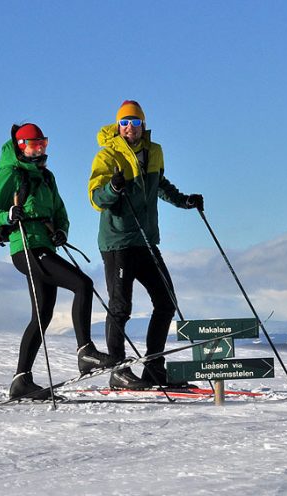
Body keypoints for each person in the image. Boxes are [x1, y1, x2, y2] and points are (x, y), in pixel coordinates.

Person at [0, 123, 117, 400]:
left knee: (42, 315)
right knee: (83, 284)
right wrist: (7, 215)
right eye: (34, 145)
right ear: (21, 147)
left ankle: (21, 381)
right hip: (25, 248)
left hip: (44, 246)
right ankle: (85, 352)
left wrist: (61, 230)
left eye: (43, 144)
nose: (39, 150)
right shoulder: (11, 174)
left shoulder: (46, 176)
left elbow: (59, 211)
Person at [87, 101, 203, 389]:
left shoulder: (154, 151)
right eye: (125, 123)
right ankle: (118, 370)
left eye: (135, 122)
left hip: (146, 240)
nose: (130, 127)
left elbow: (159, 185)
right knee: (121, 307)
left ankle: (154, 368)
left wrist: (184, 201)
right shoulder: (108, 154)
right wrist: (112, 188)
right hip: (118, 242)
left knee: (166, 302)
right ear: (118, 126)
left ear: (143, 125)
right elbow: (96, 198)